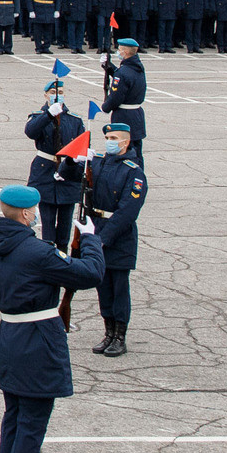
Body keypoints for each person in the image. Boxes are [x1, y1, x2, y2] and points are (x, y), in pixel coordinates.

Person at [0, 183, 105, 453]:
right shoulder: (35, 252)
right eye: (32, 211)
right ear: (24, 213)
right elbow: (91, 274)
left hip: (10, 336)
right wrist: (91, 240)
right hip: (37, 340)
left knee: (15, 418)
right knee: (32, 423)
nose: (35, 215)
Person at [82, 119, 149, 357]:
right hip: (97, 228)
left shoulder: (133, 171)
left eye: (113, 139)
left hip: (119, 237)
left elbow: (127, 212)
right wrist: (75, 161)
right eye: (107, 139)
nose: (109, 143)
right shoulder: (99, 163)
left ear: (125, 142)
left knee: (119, 287)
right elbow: (74, 181)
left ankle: (120, 335)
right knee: (103, 287)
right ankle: (108, 331)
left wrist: (103, 239)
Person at [22, 78, 87, 249]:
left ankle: (63, 262)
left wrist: (73, 167)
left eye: (60, 93)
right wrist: (49, 114)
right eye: (53, 93)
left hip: (68, 175)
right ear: (45, 95)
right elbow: (31, 132)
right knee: (48, 229)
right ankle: (49, 262)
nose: (57, 96)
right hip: (45, 172)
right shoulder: (38, 116)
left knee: (65, 231)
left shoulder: (74, 120)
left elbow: (80, 149)